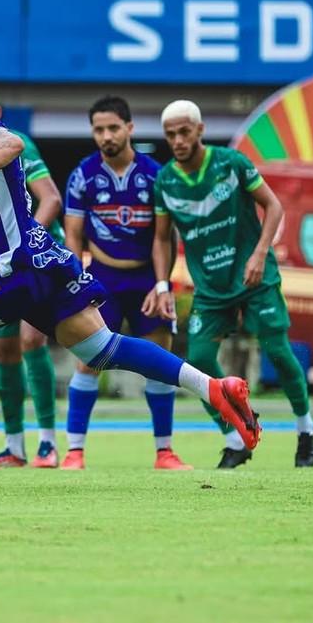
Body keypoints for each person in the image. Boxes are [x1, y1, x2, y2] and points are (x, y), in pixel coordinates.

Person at [0, 57, 261, 483]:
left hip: (13, 269)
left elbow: (12, 143)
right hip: (43, 260)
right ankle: (215, 388)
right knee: (102, 349)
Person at [145, 100, 313, 468]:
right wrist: (162, 285)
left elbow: (273, 207)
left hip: (255, 277)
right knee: (200, 361)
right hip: (209, 287)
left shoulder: (231, 163)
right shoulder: (165, 182)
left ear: (200, 130)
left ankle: (306, 432)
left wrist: (259, 254)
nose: (177, 140)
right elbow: (161, 238)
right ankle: (237, 437)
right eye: (170, 134)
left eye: (184, 132)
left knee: (278, 352)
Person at [62, 96, 190, 471]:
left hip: (147, 280)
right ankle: (74, 452)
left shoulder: (156, 175)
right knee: (87, 362)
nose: (106, 136)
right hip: (101, 278)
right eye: (99, 130)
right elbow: (73, 234)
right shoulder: (82, 175)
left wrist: (163, 284)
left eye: (113, 128)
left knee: (161, 364)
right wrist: (77, 279)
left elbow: (163, 237)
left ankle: (165, 452)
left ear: (130, 128)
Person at [0, 81, 63, 468]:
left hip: (33, 260)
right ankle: (13, 447)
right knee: (5, 349)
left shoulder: (16, 142)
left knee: (31, 341)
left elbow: (51, 198)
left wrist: (29, 244)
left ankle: (48, 443)